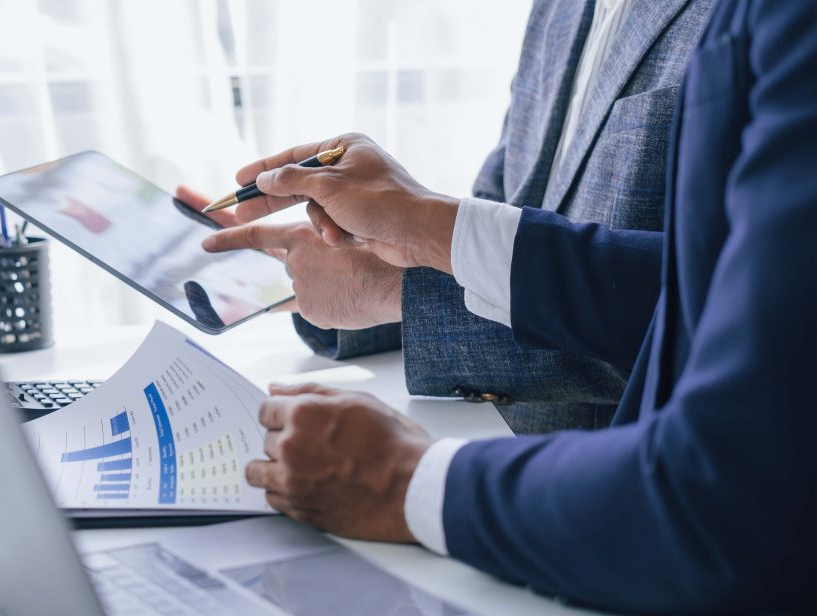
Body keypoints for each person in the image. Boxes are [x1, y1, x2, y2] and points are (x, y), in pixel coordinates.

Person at [201, 0, 817, 612]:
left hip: (613, 527)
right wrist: (378, 257)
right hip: (539, 524)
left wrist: (405, 476)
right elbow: (506, 211)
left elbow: (694, 316)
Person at [181, 0, 717, 434]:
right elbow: (506, 214)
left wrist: (397, 287)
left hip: (631, 492)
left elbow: (715, 313)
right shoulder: (562, 9)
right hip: (483, 447)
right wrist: (351, 258)